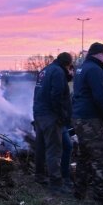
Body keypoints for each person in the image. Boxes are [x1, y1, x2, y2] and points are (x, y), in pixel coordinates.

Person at [72, 42, 103, 205]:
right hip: (91, 119)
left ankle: (79, 192)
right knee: (101, 158)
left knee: (84, 156)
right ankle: (101, 198)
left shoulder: (81, 68)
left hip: (79, 117)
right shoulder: (94, 70)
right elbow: (99, 96)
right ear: (96, 54)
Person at [33, 52, 74, 193]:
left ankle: (39, 175)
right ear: (67, 64)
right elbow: (56, 95)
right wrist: (61, 115)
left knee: (41, 147)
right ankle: (56, 183)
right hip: (51, 116)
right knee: (54, 150)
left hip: (39, 114)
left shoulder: (45, 70)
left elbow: (38, 93)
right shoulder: (57, 72)